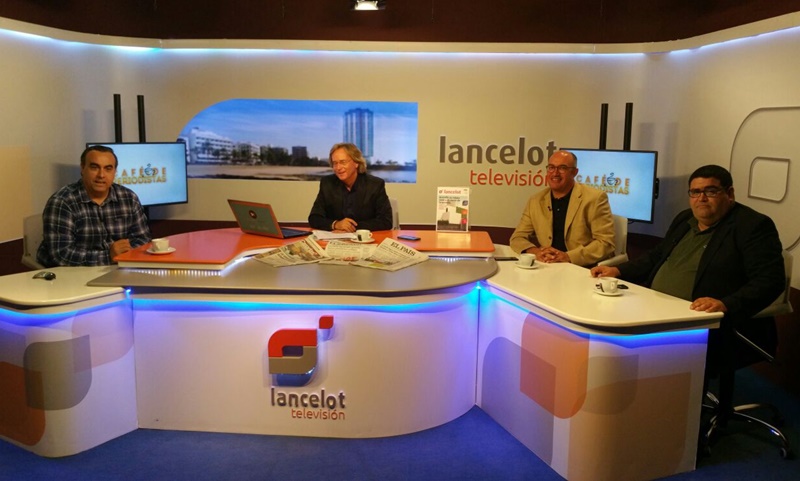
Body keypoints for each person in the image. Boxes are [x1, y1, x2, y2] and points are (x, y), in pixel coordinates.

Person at [590, 164, 785, 375]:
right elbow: (656, 255)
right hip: (657, 309)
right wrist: (618, 271)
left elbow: (770, 281)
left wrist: (725, 304)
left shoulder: (753, 226)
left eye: (711, 191)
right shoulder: (685, 219)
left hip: (707, 323)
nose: (702, 198)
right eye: (695, 192)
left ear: (729, 194)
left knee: (646, 363)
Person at [37, 145, 151, 267]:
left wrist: (124, 253)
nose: (101, 175)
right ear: (82, 168)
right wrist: (109, 256)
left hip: (118, 267)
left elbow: (143, 239)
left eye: (108, 169)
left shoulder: (129, 198)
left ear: (115, 172)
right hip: (72, 273)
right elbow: (61, 255)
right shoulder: (62, 202)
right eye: (94, 167)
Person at [509, 149, 615, 266]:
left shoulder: (595, 198)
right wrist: (536, 252)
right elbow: (517, 238)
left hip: (582, 267)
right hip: (547, 265)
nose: (555, 173)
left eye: (562, 168)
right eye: (551, 168)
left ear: (574, 172)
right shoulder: (535, 201)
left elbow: (606, 243)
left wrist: (568, 256)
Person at [308, 142, 393, 233]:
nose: (338, 167)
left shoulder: (375, 185)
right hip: (334, 239)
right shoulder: (327, 183)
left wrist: (350, 227)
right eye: (335, 163)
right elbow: (314, 218)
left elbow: (386, 221)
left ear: (356, 163)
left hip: (365, 239)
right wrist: (336, 224)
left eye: (343, 162)